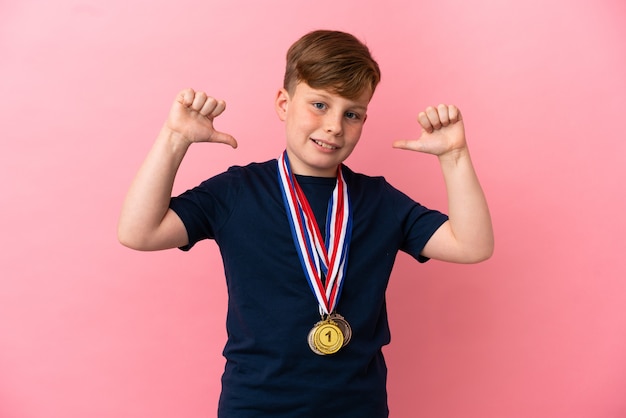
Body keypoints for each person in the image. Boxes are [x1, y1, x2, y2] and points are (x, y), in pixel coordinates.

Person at [118, 30, 493, 417]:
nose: (334, 126)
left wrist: (455, 158)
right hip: (255, 406)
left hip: (356, 407)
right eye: (319, 104)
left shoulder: (379, 200)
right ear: (284, 102)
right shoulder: (236, 192)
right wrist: (174, 138)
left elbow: (471, 245)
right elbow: (139, 232)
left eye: (352, 114)